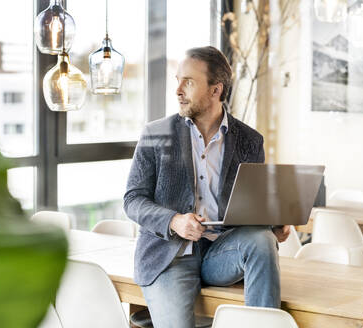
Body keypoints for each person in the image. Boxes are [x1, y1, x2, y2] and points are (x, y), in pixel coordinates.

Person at [123, 46, 291, 328]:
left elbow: (251, 206)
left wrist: (275, 225)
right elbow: (133, 199)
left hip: (221, 253)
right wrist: (174, 221)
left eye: (188, 81)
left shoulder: (250, 140)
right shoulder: (156, 134)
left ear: (216, 90)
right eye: (177, 80)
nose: (178, 90)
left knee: (263, 239)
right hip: (170, 256)